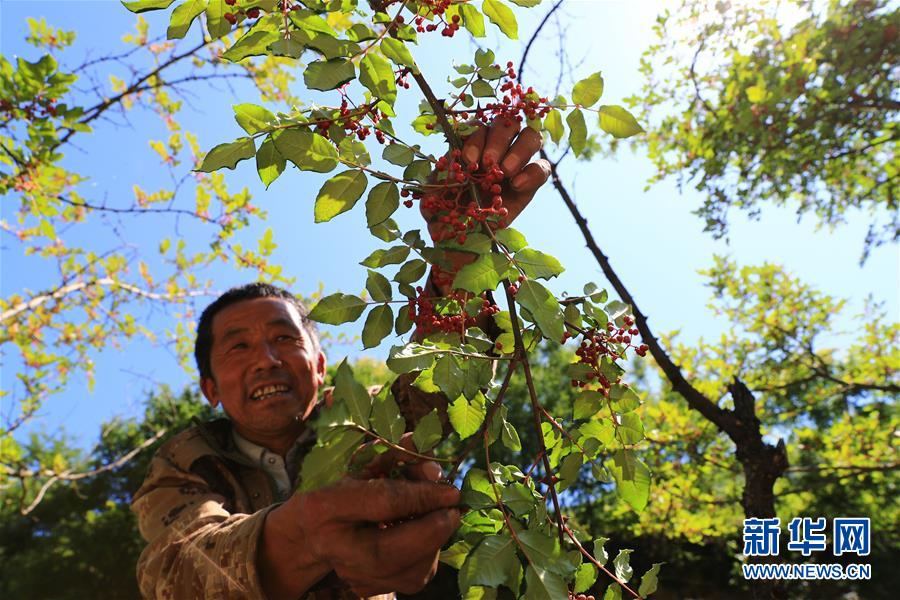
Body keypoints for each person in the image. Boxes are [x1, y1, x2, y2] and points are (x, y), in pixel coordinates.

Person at [131, 120, 550, 599]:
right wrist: (307, 537)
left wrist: (459, 253)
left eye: (284, 338)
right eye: (238, 347)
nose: (266, 359)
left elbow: (441, 390)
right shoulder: (185, 460)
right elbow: (173, 567)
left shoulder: (364, 420)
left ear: (319, 366)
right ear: (210, 389)